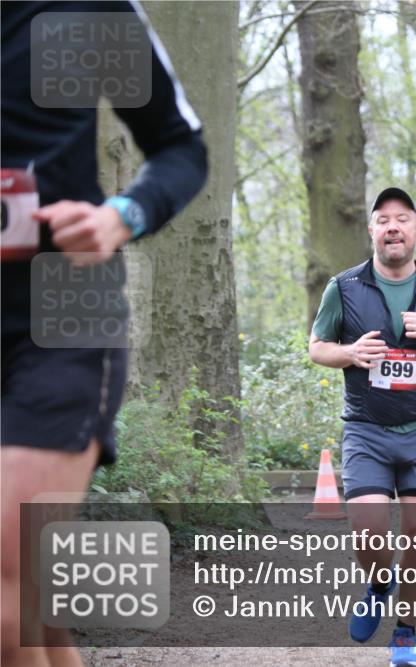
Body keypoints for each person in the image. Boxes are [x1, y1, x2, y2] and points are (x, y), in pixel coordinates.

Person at [1, 4, 208, 665]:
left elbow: (181, 147)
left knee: (7, 605)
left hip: (58, 320)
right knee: (32, 608)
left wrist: (122, 215)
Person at [309, 187, 416, 666]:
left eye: (403, 219)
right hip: (366, 429)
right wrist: (349, 353)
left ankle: (406, 632)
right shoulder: (344, 287)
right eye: (383, 219)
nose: (393, 227)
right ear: (372, 230)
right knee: (368, 534)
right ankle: (380, 582)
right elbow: (317, 346)